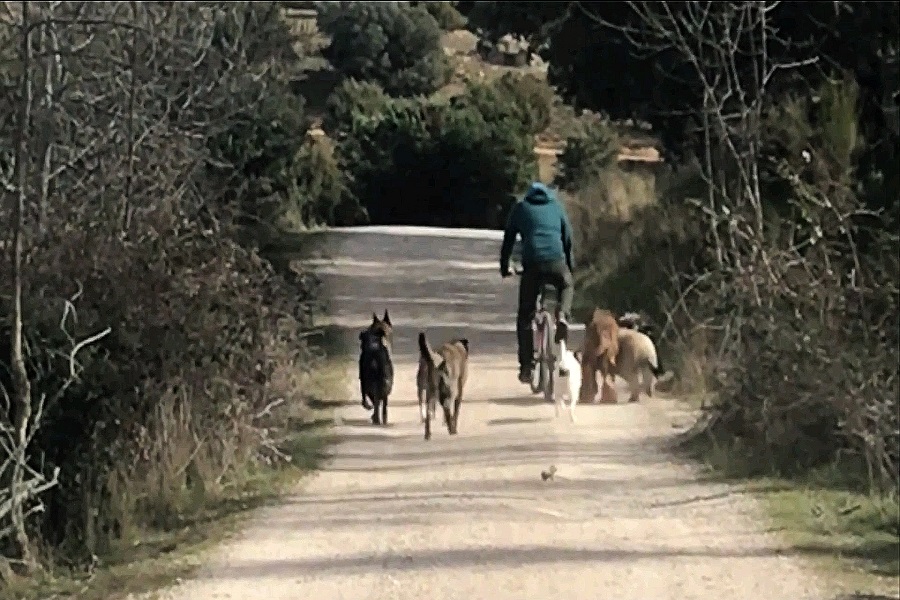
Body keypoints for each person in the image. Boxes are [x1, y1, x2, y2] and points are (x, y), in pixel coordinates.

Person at [499, 182, 575, 384]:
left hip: (532, 265)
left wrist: (504, 267)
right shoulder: (556, 207)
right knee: (567, 285)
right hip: (556, 262)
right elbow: (567, 239)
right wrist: (570, 267)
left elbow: (508, 239)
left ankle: (526, 366)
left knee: (525, 316)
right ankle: (563, 315)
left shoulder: (521, 208)